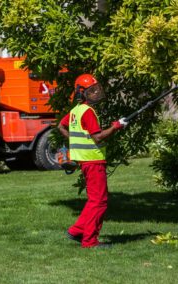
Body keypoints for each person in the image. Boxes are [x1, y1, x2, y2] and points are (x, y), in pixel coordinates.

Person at [58, 74, 128, 248]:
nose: (96, 93)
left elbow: (61, 126)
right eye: (92, 91)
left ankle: (76, 231)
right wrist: (116, 126)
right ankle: (90, 241)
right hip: (93, 161)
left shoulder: (76, 111)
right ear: (82, 93)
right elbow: (98, 137)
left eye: (97, 89)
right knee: (100, 202)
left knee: (94, 200)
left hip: (85, 162)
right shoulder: (88, 112)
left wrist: (74, 141)